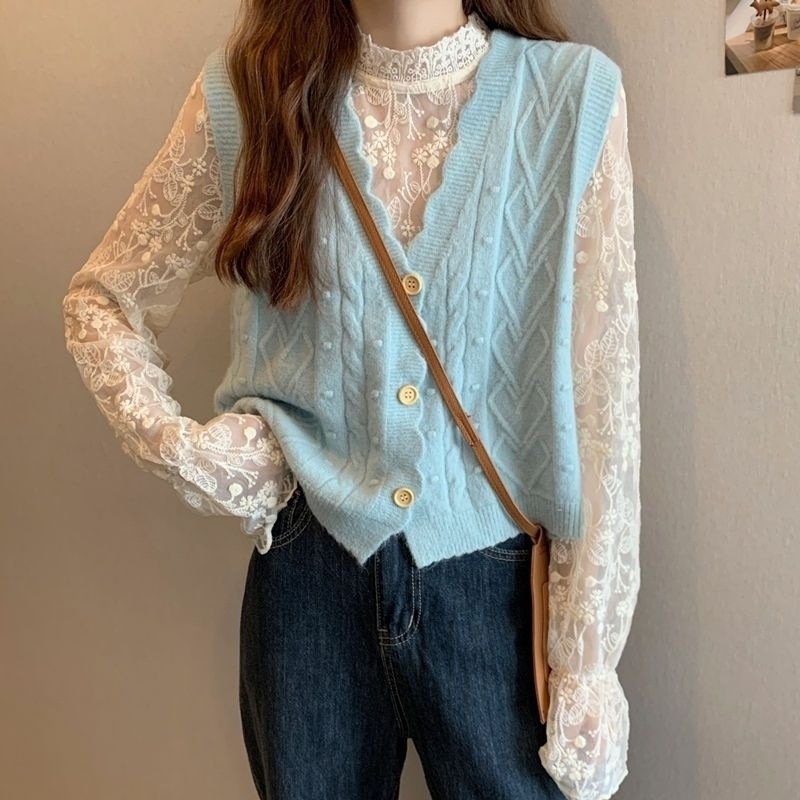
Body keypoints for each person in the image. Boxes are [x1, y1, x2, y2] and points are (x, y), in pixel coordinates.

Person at [61, 2, 641, 799]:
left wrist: (587, 653)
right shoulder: (254, 92)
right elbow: (105, 299)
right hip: (308, 576)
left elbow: (604, 400)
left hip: (496, 590)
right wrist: (186, 449)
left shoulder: (571, 98)